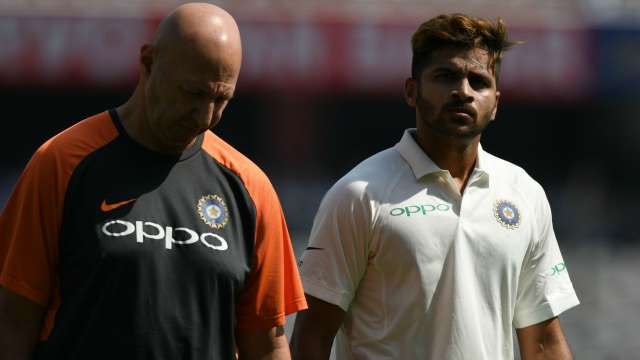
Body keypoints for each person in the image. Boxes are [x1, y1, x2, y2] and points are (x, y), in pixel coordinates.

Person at [0, 3, 307, 359]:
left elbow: (267, 343)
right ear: (147, 62)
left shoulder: (250, 188)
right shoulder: (61, 163)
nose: (206, 116)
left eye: (221, 99)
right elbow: (13, 321)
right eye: (193, 93)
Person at [290, 13, 579, 360]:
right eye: (446, 77)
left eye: (478, 81)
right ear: (412, 92)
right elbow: (312, 336)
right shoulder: (358, 195)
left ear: (497, 103)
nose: (463, 92)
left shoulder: (525, 194)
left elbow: (544, 342)